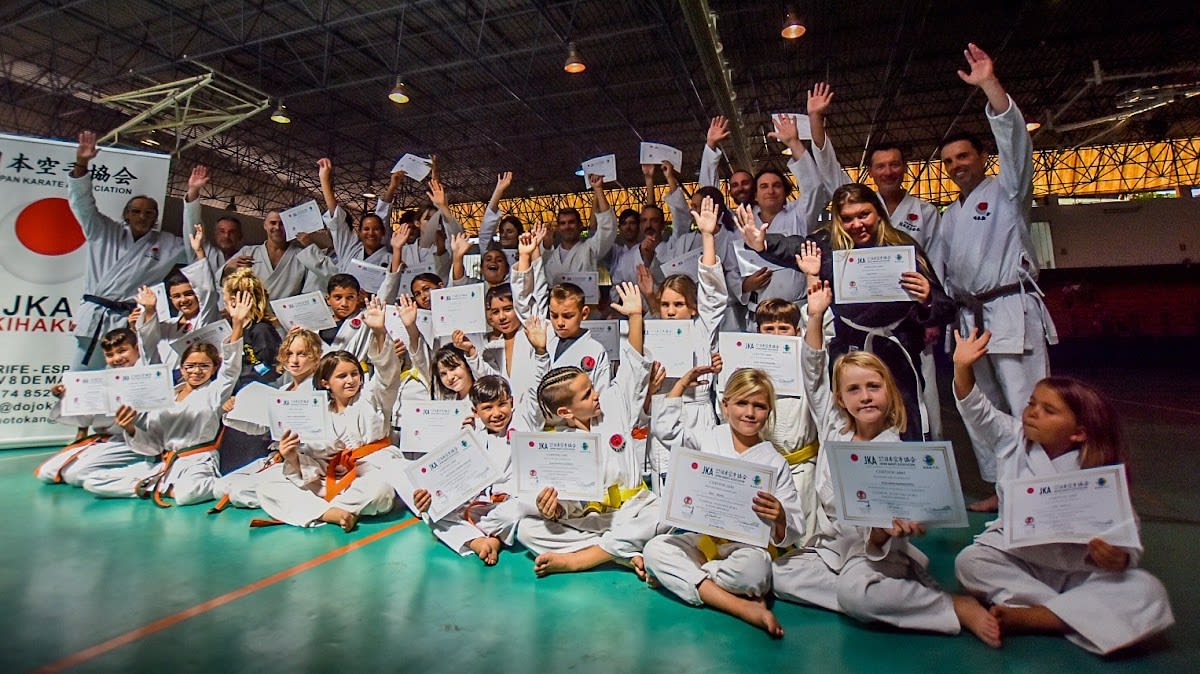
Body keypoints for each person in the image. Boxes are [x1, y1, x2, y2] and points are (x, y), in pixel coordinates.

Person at [770, 280, 1001, 647]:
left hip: (876, 554)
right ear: (841, 400)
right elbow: (813, 373)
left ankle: (951, 606)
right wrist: (814, 316)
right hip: (831, 550)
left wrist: (884, 533)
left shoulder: (896, 452)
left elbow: (888, 528)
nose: (864, 397)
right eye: (854, 389)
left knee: (859, 594)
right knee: (777, 575)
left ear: (888, 392)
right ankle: (877, 598)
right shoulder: (833, 427)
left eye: (873, 387)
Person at [951, 329, 1174, 654]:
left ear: (1079, 433)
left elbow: (1126, 535)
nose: (1032, 412)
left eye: (1049, 410)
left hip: (1080, 571)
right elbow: (977, 410)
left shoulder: (1100, 470)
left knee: (1148, 590)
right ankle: (1073, 615)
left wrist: (1119, 557)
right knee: (971, 562)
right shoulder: (1011, 439)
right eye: (1032, 403)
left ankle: (1036, 616)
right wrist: (962, 367)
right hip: (1019, 560)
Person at [931, 43, 1058, 511]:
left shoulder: (1008, 190)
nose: (956, 166)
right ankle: (1001, 487)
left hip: (1008, 308)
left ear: (983, 156)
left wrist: (989, 85)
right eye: (948, 161)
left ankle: (1038, 486)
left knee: (1028, 402)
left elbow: (1016, 145)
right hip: (969, 318)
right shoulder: (948, 216)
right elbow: (942, 272)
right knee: (980, 404)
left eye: (963, 156)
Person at [741, 185, 956, 440]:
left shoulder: (903, 246)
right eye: (848, 218)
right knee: (849, 425)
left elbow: (946, 308)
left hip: (897, 351)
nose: (857, 224)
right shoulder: (829, 246)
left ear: (878, 212)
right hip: (850, 347)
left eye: (864, 214)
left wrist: (928, 298)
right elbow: (794, 246)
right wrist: (763, 243)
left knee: (904, 422)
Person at [805, 82, 946, 437]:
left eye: (895, 165)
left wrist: (930, 309)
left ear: (904, 168)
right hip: (863, 321)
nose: (888, 171)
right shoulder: (858, 205)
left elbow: (936, 267)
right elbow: (828, 167)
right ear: (871, 172)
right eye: (881, 166)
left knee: (917, 396)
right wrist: (815, 120)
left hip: (908, 320)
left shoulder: (923, 213)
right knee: (866, 402)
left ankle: (925, 449)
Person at [643, 368, 805, 638]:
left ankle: (693, 578)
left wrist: (780, 517)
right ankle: (739, 605)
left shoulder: (774, 462)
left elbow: (795, 527)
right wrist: (681, 384)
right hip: (703, 542)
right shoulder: (709, 437)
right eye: (742, 403)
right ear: (725, 405)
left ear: (769, 412)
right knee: (655, 549)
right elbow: (666, 430)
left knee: (755, 573)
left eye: (759, 406)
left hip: (746, 549)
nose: (750, 413)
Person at [514, 283, 661, 578]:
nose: (596, 395)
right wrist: (552, 509)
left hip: (631, 511)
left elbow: (633, 366)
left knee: (662, 514)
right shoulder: (559, 445)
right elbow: (563, 505)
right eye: (586, 395)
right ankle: (619, 552)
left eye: (592, 388)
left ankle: (582, 559)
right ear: (565, 412)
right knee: (526, 530)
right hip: (589, 521)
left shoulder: (613, 405)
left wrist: (635, 317)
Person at [81, 293, 250, 505]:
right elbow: (152, 447)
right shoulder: (166, 395)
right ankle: (158, 487)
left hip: (197, 462)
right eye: (190, 366)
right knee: (92, 481)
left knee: (187, 494)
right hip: (166, 462)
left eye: (204, 366)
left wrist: (237, 324)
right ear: (182, 368)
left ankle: (161, 486)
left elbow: (231, 369)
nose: (196, 371)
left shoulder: (215, 392)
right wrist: (130, 428)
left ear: (214, 368)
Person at [255, 296, 400, 531]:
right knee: (268, 486)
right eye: (342, 376)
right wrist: (291, 456)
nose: (351, 381)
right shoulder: (316, 410)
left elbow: (387, 375)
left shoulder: (371, 397)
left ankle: (319, 510)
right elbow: (312, 460)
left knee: (380, 491)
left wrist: (379, 332)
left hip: (370, 471)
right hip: (328, 477)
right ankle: (333, 513)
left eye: (354, 374)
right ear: (325, 382)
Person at [68, 130, 185, 369]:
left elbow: (197, 250)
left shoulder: (167, 244)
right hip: (95, 317)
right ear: (126, 214)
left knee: (121, 380)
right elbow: (82, 203)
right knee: (81, 377)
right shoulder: (102, 231)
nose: (142, 216)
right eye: (136, 211)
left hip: (128, 321)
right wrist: (81, 163)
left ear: (155, 218)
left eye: (149, 213)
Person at [213, 327, 326, 512]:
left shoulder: (320, 391)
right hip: (274, 457)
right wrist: (233, 410)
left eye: (302, 354)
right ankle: (277, 491)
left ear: (316, 357)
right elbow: (262, 428)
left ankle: (298, 495)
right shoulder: (282, 391)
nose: (294, 360)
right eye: (289, 354)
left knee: (239, 492)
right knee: (220, 487)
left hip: (302, 461)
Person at [35, 328, 148, 486]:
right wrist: (66, 397)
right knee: (46, 473)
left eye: (122, 351)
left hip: (138, 440)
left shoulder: (147, 374)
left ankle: (145, 471)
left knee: (74, 476)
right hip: (109, 439)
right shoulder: (102, 378)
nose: (117, 358)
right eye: (110, 355)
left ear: (137, 349)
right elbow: (85, 419)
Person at [511, 224, 612, 392]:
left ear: (584, 313)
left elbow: (601, 396)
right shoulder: (545, 332)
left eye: (568, 316)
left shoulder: (595, 350)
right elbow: (525, 301)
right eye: (554, 315)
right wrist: (525, 255)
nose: (560, 322)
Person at [134, 225, 222, 376]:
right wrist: (149, 309)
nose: (183, 300)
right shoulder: (167, 324)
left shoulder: (204, 320)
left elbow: (207, 291)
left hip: (189, 379)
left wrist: (199, 252)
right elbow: (147, 343)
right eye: (177, 296)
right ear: (171, 299)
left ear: (197, 295)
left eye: (188, 294)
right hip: (159, 378)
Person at [317, 158, 404, 272]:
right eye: (366, 229)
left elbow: (383, 214)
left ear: (383, 232)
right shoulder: (349, 249)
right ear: (359, 232)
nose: (371, 233)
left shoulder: (391, 260)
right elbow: (337, 220)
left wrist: (392, 188)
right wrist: (324, 179)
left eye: (376, 229)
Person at [539, 173, 617, 282]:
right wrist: (546, 245)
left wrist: (598, 189)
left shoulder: (590, 248)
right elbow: (535, 271)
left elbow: (607, 227)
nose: (567, 227)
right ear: (558, 228)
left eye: (571, 222)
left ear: (580, 225)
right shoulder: (550, 256)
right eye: (563, 223)